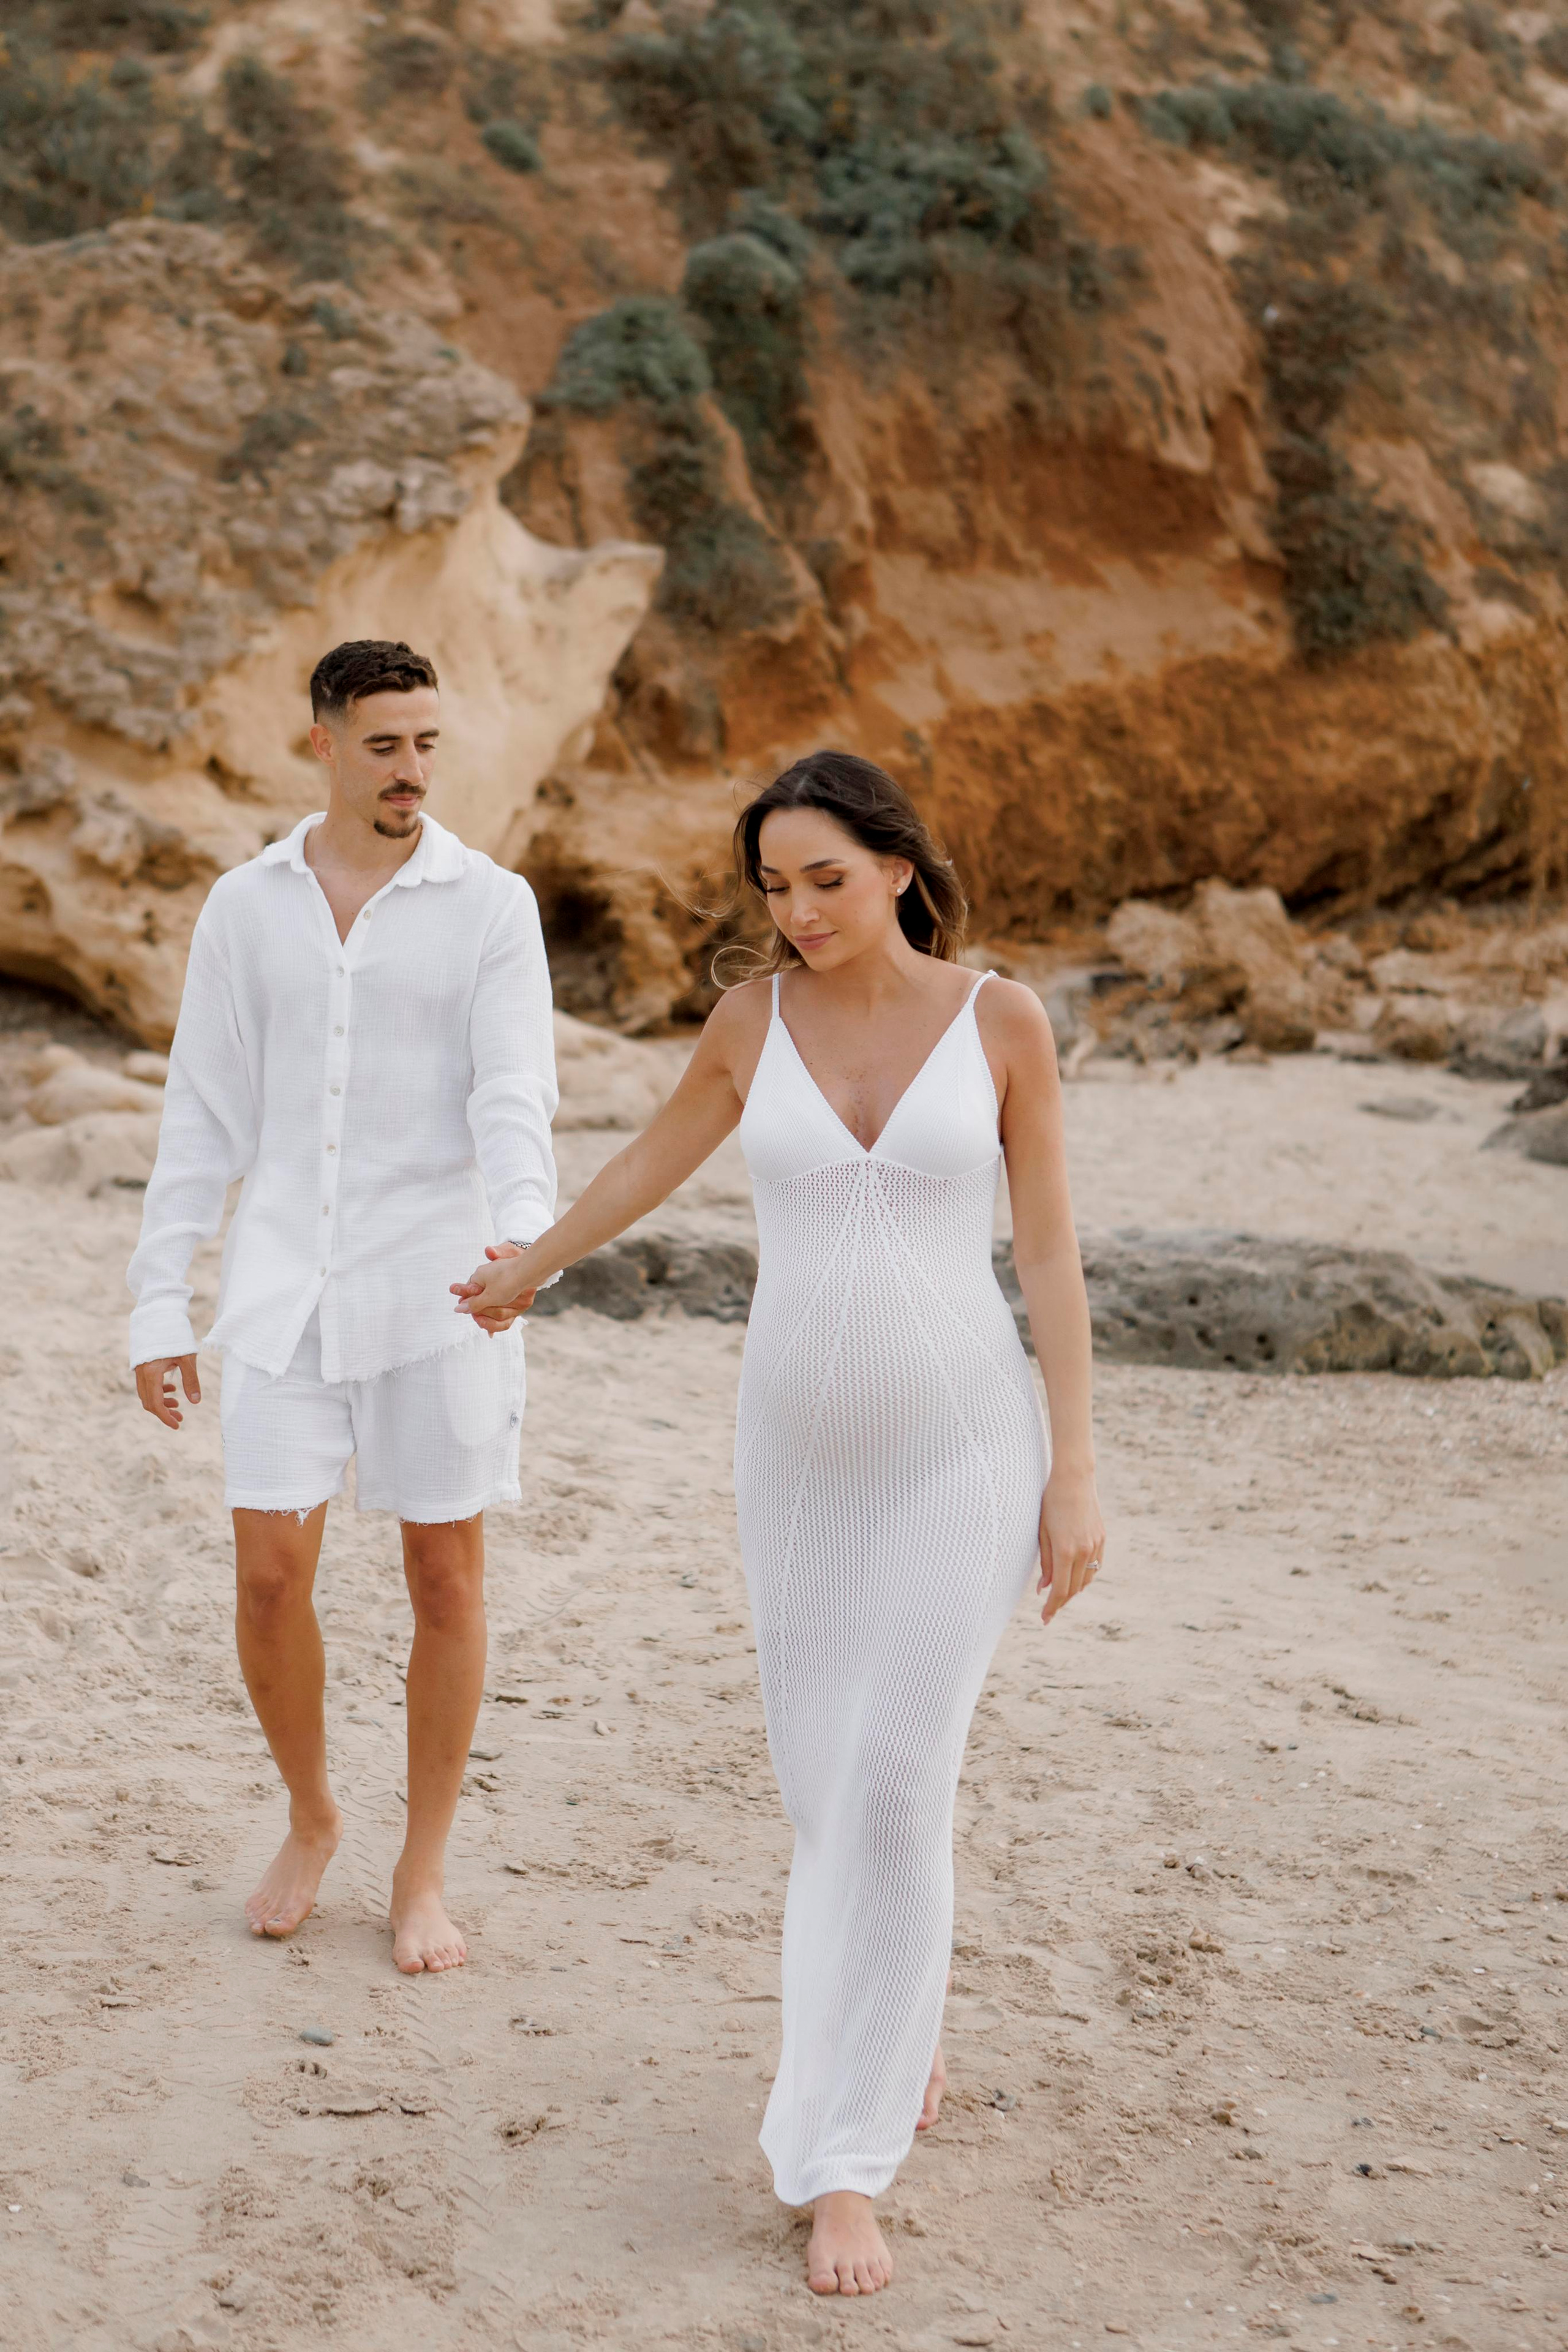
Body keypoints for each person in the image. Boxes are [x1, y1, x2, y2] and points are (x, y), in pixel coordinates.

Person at [453, 750, 1105, 2293]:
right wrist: (530, 1264)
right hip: (798, 1462)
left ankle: (841, 2167)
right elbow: (651, 1163)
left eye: (824, 878)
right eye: (772, 888)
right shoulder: (753, 1024)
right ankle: (896, 2024)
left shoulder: (998, 1019)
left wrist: (1073, 1467)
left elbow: (1056, 1258)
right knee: (826, 1786)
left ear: (894, 865)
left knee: (891, 1776)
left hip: (962, 1448)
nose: (798, 912)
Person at [127, 639, 557, 1975]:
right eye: (385, 744)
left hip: (440, 1290)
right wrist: (159, 1300)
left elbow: (513, 1094)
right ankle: (311, 1814)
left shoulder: (490, 905)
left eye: (428, 742)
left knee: (444, 1576)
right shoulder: (244, 905)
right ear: (320, 742)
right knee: (267, 1576)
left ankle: (419, 1870)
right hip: (281, 1293)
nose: (411, 771)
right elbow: (202, 1113)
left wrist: (520, 1246)